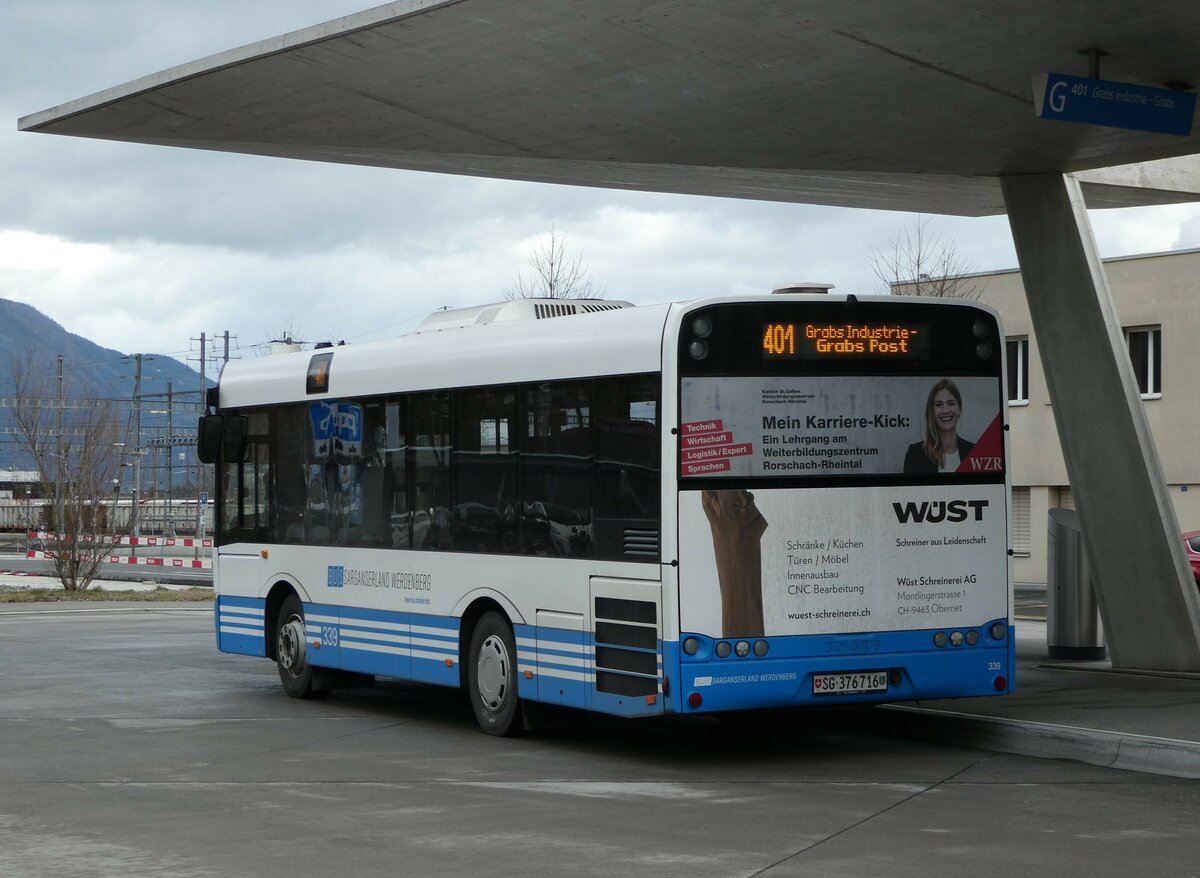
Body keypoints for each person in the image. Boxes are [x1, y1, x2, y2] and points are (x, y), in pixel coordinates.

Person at [903, 379, 975, 474]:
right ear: (932, 411)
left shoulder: (974, 452)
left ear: (959, 409)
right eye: (939, 405)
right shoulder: (915, 454)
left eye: (951, 403)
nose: (945, 410)